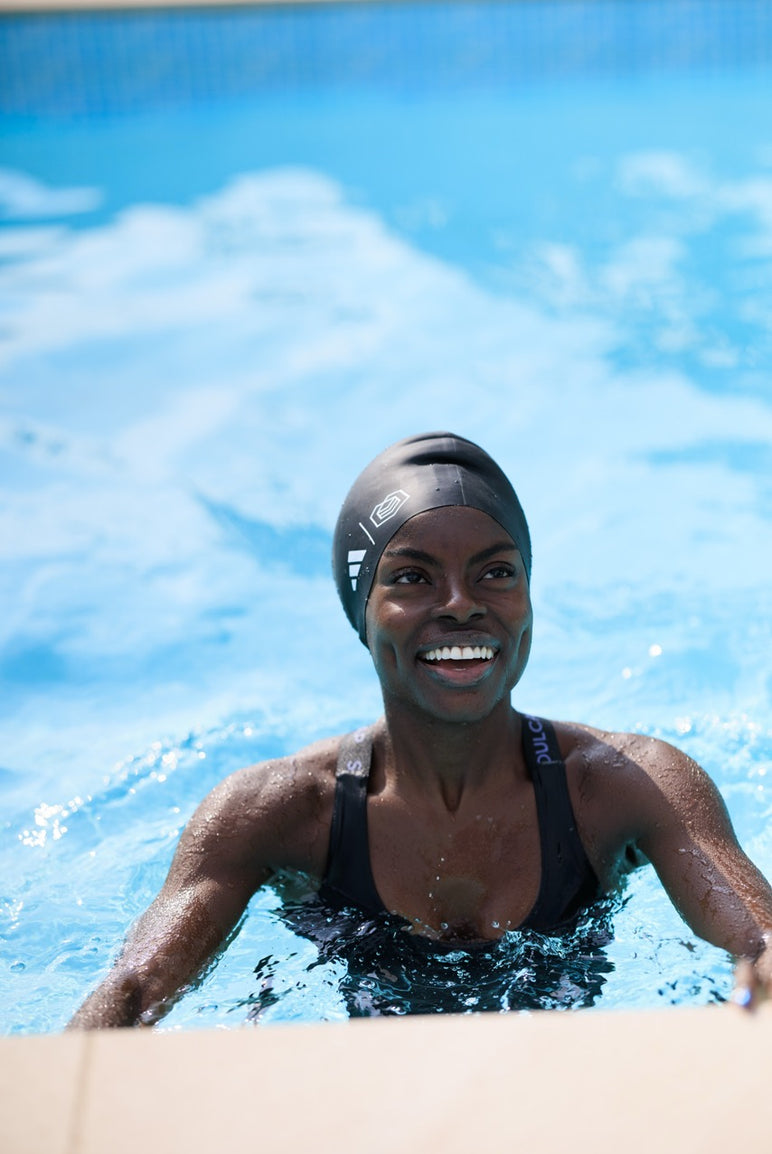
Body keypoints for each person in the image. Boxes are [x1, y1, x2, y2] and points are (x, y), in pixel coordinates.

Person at [68, 431, 772, 1028]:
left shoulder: (623, 785)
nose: (462, 606)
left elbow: (761, 941)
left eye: (496, 572)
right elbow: (133, 991)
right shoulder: (276, 815)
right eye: (412, 578)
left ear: (528, 596)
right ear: (361, 611)